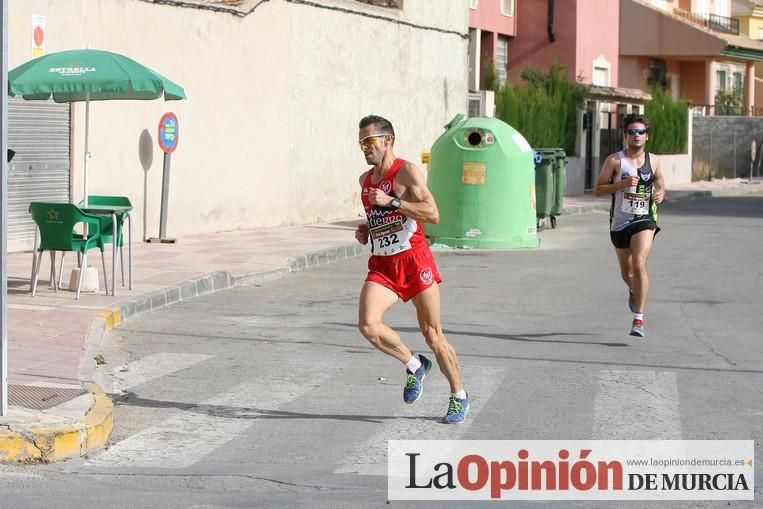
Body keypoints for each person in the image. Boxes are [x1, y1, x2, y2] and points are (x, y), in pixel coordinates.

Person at [353, 114, 469, 424]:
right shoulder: (365, 182)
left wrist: (392, 202)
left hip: (414, 260)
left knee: (433, 334)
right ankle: (415, 364)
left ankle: (458, 394)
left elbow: (432, 213)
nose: (364, 148)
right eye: (360, 142)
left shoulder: (406, 172)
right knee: (368, 325)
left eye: (368, 141)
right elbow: (381, 219)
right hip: (383, 264)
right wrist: (368, 229)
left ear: (387, 139)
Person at [594, 113, 665, 338]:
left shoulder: (654, 160)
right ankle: (633, 290)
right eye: (632, 132)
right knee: (627, 272)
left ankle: (639, 319)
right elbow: (598, 189)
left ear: (647, 137)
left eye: (640, 132)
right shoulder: (615, 161)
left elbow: (660, 182)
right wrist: (622, 184)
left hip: (645, 218)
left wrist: (661, 193)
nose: (636, 135)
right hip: (620, 221)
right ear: (625, 135)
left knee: (640, 263)